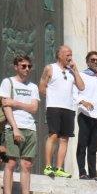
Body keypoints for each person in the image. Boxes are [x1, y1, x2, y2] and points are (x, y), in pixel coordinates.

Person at [0, 54, 45, 194]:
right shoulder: (8, 82)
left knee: (26, 165)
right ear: (16, 67)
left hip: (30, 127)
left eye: (29, 66)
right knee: (11, 163)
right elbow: (6, 106)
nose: (27, 69)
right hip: (14, 127)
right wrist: (15, 128)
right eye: (23, 66)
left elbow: (34, 108)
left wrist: (15, 102)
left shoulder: (33, 87)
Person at [39, 45, 85, 178]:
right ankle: (48, 166)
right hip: (54, 107)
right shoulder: (50, 68)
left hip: (69, 108)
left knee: (65, 138)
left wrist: (75, 71)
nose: (70, 57)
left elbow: (81, 87)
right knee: (53, 135)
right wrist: (53, 97)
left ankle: (59, 168)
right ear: (59, 55)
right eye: (67, 54)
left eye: (71, 54)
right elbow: (41, 87)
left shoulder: (71, 71)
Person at [76, 51, 97, 181]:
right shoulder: (81, 75)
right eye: (92, 60)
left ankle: (93, 173)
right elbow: (75, 92)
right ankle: (82, 172)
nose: (95, 62)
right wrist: (83, 102)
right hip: (85, 114)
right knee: (82, 144)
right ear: (87, 61)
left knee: (93, 147)